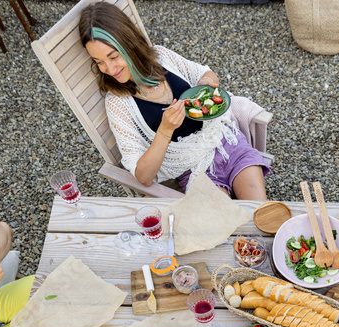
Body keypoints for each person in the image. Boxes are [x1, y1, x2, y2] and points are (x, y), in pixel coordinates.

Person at [79, 2, 270, 200]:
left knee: (259, 212)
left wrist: (206, 83)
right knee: (226, 223)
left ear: (130, 45)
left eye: (113, 57)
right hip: (194, 169)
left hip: (226, 142)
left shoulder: (162, 57)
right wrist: (165, 130)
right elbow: (143, 176)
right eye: (98, 62)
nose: (109, 69)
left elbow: (203, 72)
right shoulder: (118, 103)